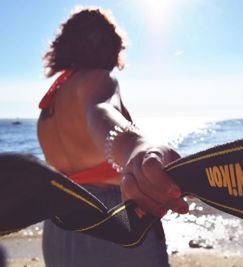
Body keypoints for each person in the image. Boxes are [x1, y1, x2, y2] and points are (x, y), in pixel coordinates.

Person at [37, 7, 188, 267]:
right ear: (112, 46)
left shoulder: (51, 104)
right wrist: (137, 148)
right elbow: (101, 112)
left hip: (58, 223)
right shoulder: (98, 79)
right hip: (111, 219)